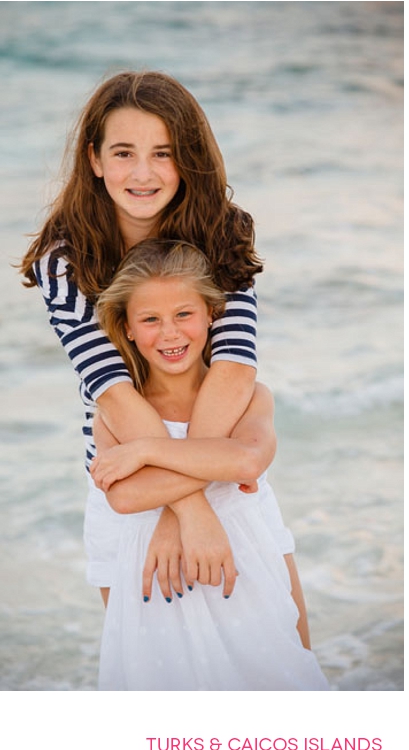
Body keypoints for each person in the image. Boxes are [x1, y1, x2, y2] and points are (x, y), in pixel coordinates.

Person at [20, 70, 262, 604]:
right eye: (124, 152)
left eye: (163, 152)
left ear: (189, 158)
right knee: (140, 668)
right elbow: (111, 389)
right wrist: (189, 509)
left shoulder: (223, 228)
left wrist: (186, 499)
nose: (144, 173)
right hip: (127, 476)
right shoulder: (63, 260)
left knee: (283, 646)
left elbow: (235, 366)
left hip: (221, 452)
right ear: (95, 159)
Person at [89, 239, 327, 689]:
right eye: (151, 320)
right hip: (159, 577)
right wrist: (209, 463)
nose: (170, 333)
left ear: (212, 314)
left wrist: (146, 452)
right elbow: (124, 495)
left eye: (184, 314)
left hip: (243, 563)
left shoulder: (249, 396)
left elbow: (247, 461)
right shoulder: (115, 413)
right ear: (129, 329)